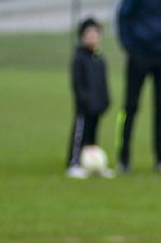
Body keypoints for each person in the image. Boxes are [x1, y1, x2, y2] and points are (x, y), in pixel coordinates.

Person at [115, 0, 161, 175]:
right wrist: (128, 44)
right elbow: (124, 15)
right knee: (130, 107)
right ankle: (123, 158)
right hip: (139, 52)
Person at [66, 17, 112, 179]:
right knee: (80, 134)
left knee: (93, 136)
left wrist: (105, 100)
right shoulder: (79, 58)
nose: (93, 37)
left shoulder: (100, 59)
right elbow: (78, 83)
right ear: (82, 36)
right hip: (84, 106)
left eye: (95, 34)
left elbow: (103, 83)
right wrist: (84, 100)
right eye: (89, 34)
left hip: (97, 106)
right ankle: (73, 163)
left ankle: (93, 164)